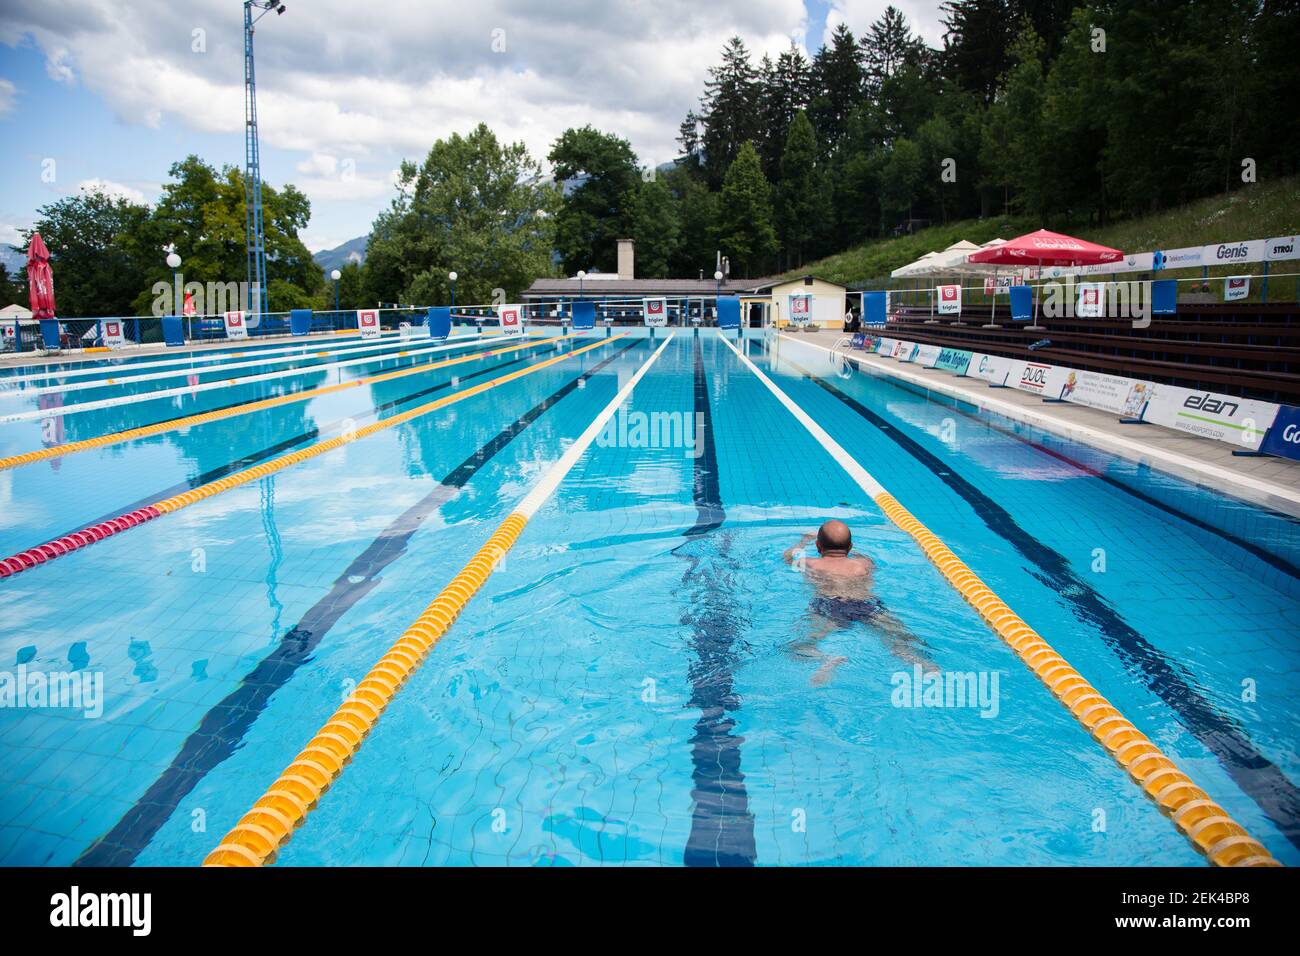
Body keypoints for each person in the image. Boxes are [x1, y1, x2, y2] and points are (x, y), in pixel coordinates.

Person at [783, 520, 937, 685]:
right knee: (901, 638)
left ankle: (827, 659)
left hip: (829, 605)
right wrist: (850, 548)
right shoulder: (863, 564)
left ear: (818, 546)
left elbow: (788, 557)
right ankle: (920, 662)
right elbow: (864, 556)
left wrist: (804, 540)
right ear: (849, 547)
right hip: (866, 604)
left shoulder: (811, 563)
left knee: (798, 647)